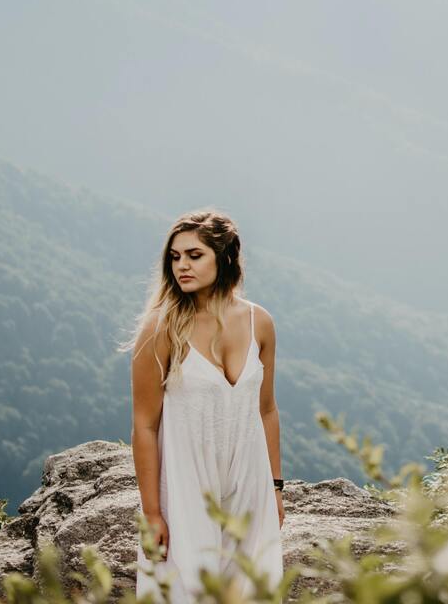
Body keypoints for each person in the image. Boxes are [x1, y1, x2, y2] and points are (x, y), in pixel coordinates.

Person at [120, 209, 284, 601]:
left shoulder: (259, 322)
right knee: (186, 590)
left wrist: (276, 488)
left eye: (194, 255)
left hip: (249, 482)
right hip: (185, 482)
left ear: (224, 257)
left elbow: (266, 410)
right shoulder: (160, 327)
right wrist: (152, 513)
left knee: (251, 589)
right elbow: (144, 425)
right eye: (175, 257)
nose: (182, 266)